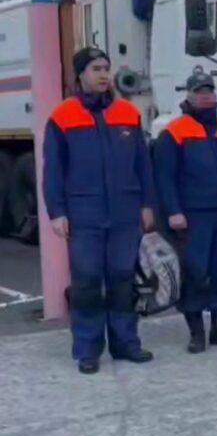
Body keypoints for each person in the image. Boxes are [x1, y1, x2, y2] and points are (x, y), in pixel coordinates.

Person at [43, 47, 156, 374]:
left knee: (122, 280)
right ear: (81, 75)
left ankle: (126, 343)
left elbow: (142, 165)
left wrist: (147, 204)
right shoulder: (62, 116)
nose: (104, 74)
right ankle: (88, 349)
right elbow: (53, 171)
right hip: (84, 214)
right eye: (96, 69)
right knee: (87, 282)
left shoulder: (128, 113)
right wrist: (57, 211)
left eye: (106, 68)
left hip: (124, 213)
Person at [155, 72, 217, 353]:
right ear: (189, 96)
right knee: (195, 272)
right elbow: (164, 177)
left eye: (209, 90)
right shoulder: (174, 132)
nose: (205, 95)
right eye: (199, 91)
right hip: (192, 216)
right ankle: (196, 332)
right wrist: (173, 211)